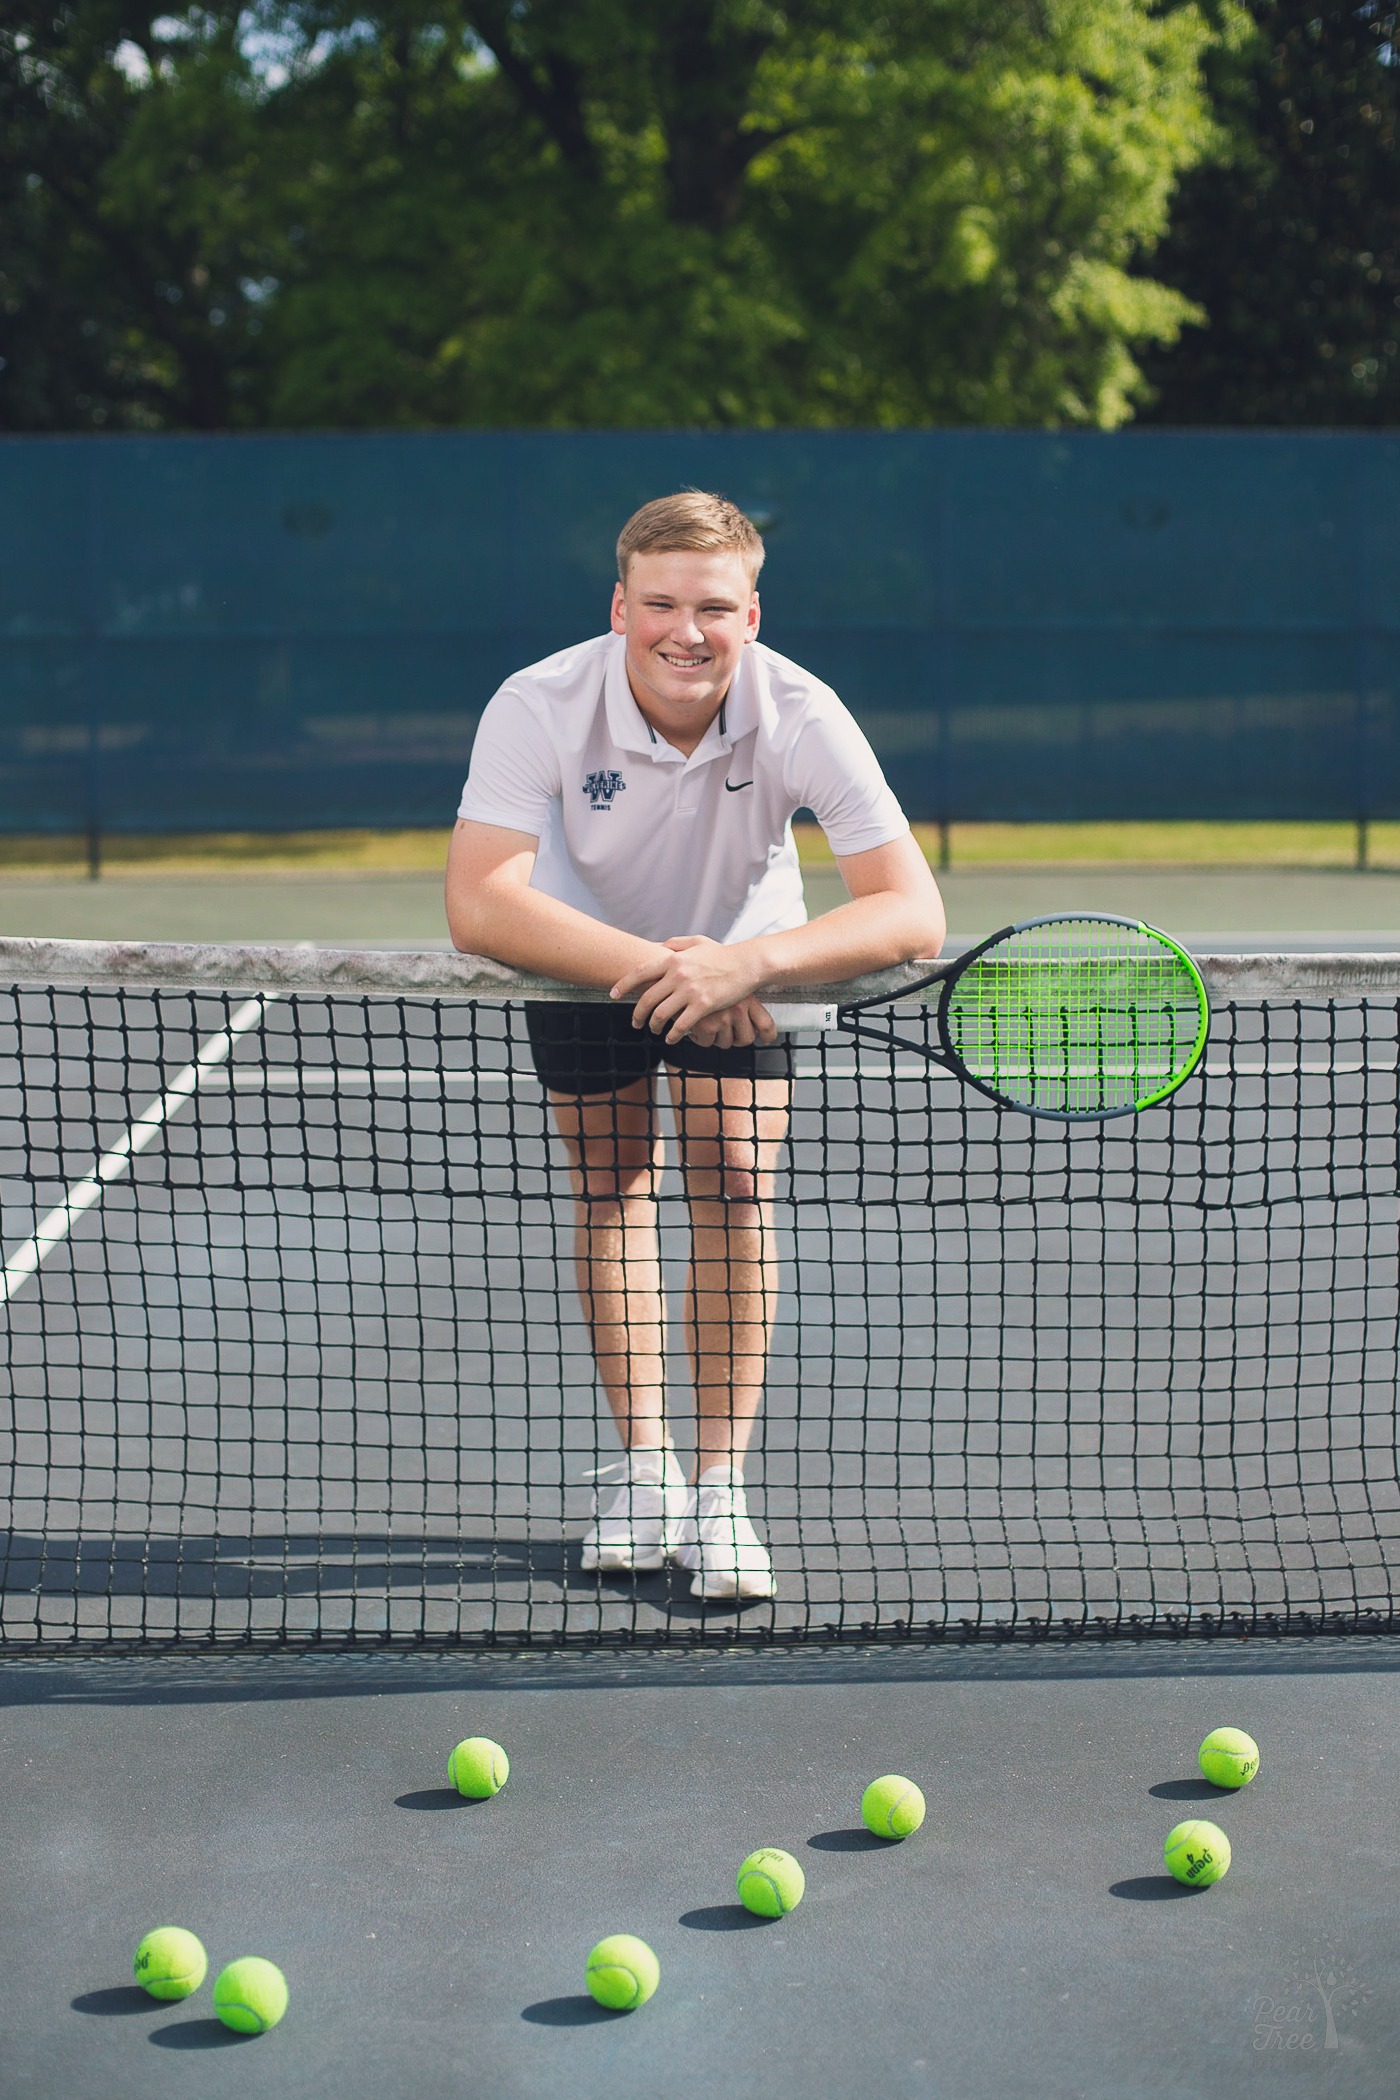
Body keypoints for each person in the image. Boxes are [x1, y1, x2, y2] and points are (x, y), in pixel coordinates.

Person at [446, 491, 944, 1601]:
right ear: (619, 607)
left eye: (712, 607)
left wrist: (745, 967)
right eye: (660, 603)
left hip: (745, 965)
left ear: (750, 616)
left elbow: (911, 912)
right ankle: (642, 1472)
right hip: (577, 955)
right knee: (613, 1186)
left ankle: (719, 1492)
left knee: (734, 1185)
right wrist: (668, 971)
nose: (686, 630)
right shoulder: (537, 703)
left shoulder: (803, 712)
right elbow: (481, 904)